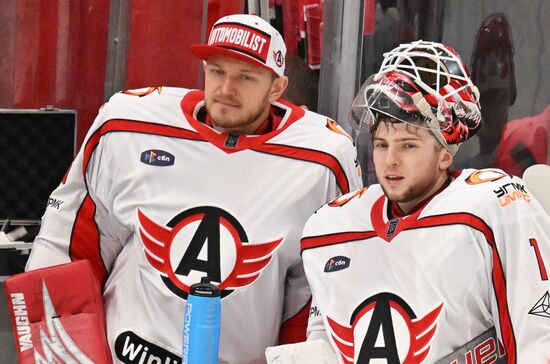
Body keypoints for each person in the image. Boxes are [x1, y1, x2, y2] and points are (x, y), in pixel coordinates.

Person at [24, 14, 362, 363]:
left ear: (277, 88)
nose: (226, 89)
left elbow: (319, 296)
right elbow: (67, 247)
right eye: (217, 71)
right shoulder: (129, 124)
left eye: (245, 77)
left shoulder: (323, 159)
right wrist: (58, 356)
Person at [300, 40, 550, 363]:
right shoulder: (329, 228)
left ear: (446, 153)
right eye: (381, 144)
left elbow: (538, 342)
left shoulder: (494, 209)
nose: (389, 161)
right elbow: (322, 348)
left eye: (407, 146)